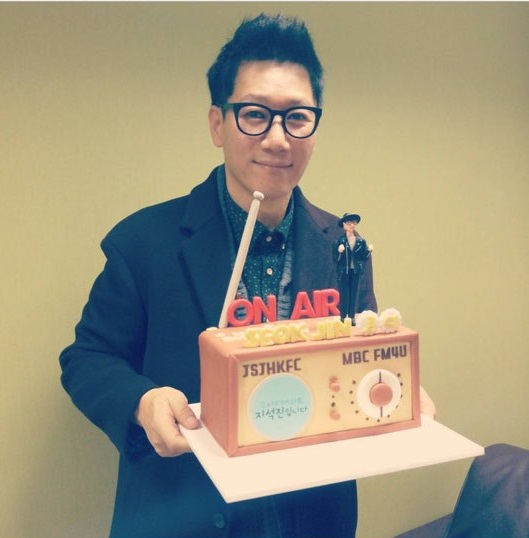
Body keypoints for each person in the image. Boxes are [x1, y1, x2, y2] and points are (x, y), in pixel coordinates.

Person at [60, 13, 434, 538]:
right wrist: (141, 402)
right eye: (255, 114)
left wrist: (394, 387)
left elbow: (359, 355)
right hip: (182, 513)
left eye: (297, 117)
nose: (278, 139)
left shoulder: (344, 246)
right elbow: (87, 359)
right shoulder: (143, 242)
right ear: (218, 124)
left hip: (310, 517)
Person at [333, 213, 373, 322]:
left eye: (354, 223)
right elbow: (335, 259)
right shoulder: (339, 241)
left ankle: (351, 317)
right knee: (344, 294)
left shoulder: (361, 241)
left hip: (356, 271)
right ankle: (343, 316)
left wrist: (369, 251)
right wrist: (340, 252)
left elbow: (363, 258)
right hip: (343, 271)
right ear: (344, 225)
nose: (352, 225)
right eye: (349, 223)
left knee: (354, 294)